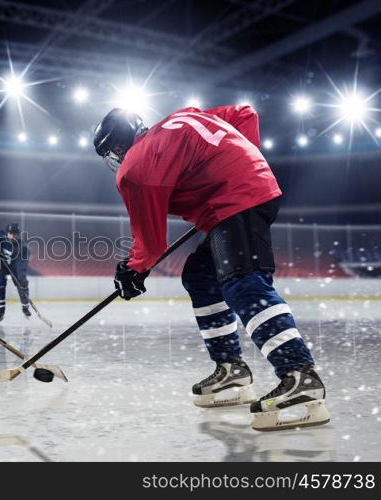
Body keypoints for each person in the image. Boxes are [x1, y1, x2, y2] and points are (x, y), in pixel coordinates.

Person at [93, 105, 329, 432]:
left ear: (119, 146)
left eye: (113, 151)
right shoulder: (183, 116)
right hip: (243, 192)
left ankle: (300, 376)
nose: (116, 157)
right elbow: (245, 114)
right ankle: (231, 367)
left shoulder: (135, 165)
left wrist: (132, 270)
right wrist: (237, 162)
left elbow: (149, 240)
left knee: (242, 281)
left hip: (236, 199)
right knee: (200, 275)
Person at [0, 223, 31, 321]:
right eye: (9, 233)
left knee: (22, 284)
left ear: (17, 235)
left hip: (15, 268)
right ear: (6, 232)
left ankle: (25, 308)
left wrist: (21, 278)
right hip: (1, 266)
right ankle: (0, 310)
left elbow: (22, 265)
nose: (11, 236)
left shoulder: (23, 247)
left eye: (14, 234)